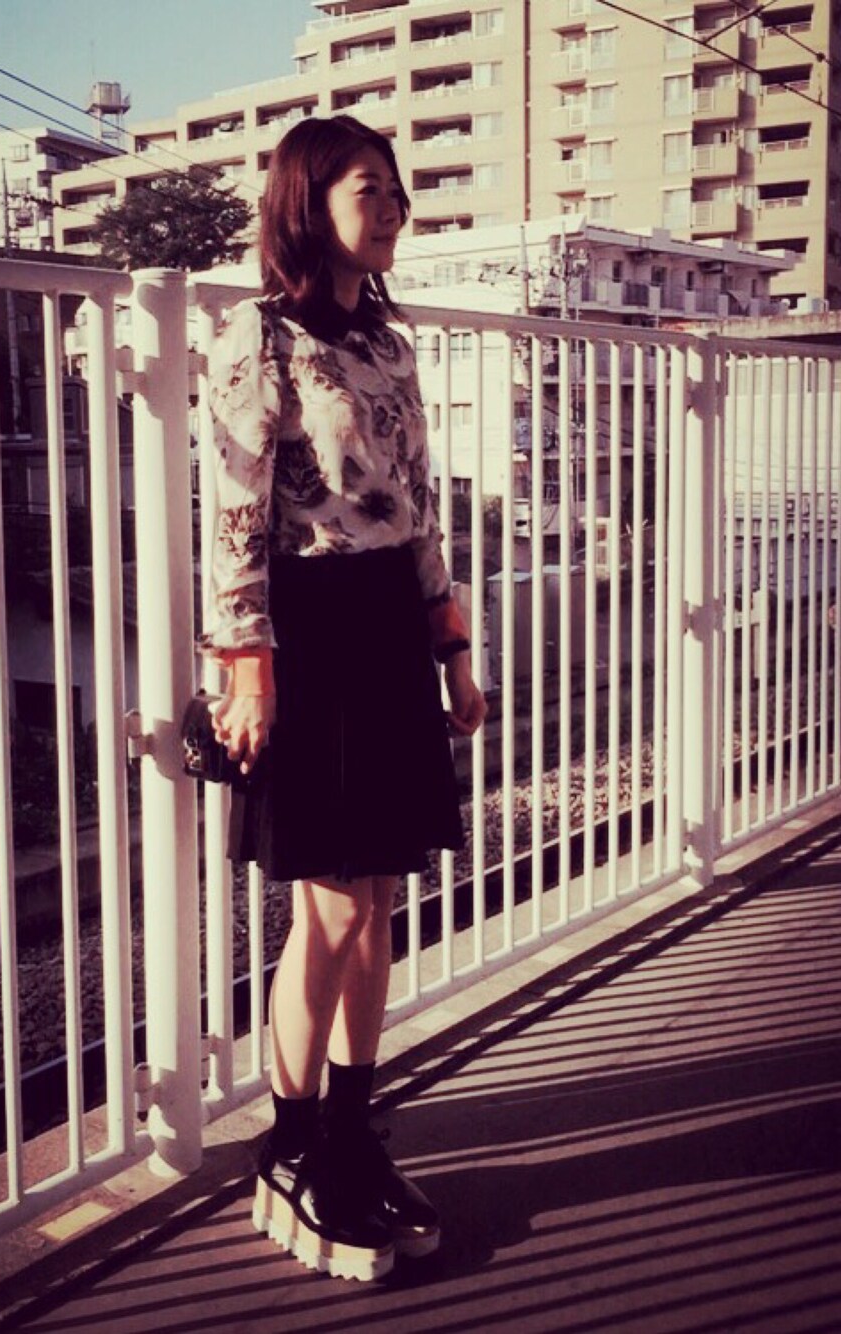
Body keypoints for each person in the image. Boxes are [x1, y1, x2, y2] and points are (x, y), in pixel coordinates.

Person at [200, 114, 486, 1282]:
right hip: (308, 630)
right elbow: (234, 513)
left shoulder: (390, 347)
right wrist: (246, 666)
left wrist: (450, 647)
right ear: (308, 203)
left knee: (375, 900)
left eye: (397, 189)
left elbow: (417, 506)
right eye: (371, 188)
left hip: (384, 629)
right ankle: (291, 1140)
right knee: (324, 908)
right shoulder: (256, 336)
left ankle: (353, 1133)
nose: (395, 207)